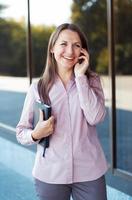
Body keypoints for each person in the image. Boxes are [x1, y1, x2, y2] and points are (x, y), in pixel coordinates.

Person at [16, 23, 108, 200]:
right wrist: (36, 134)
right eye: (63, 44)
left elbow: (95, 117)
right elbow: (21, 132)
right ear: (52, 48)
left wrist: (81, 77)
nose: (70, 51)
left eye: (77, 45)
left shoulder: (92, 81)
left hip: (89, 172)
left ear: (83, 51)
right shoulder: (38, 88)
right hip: (51, 173)